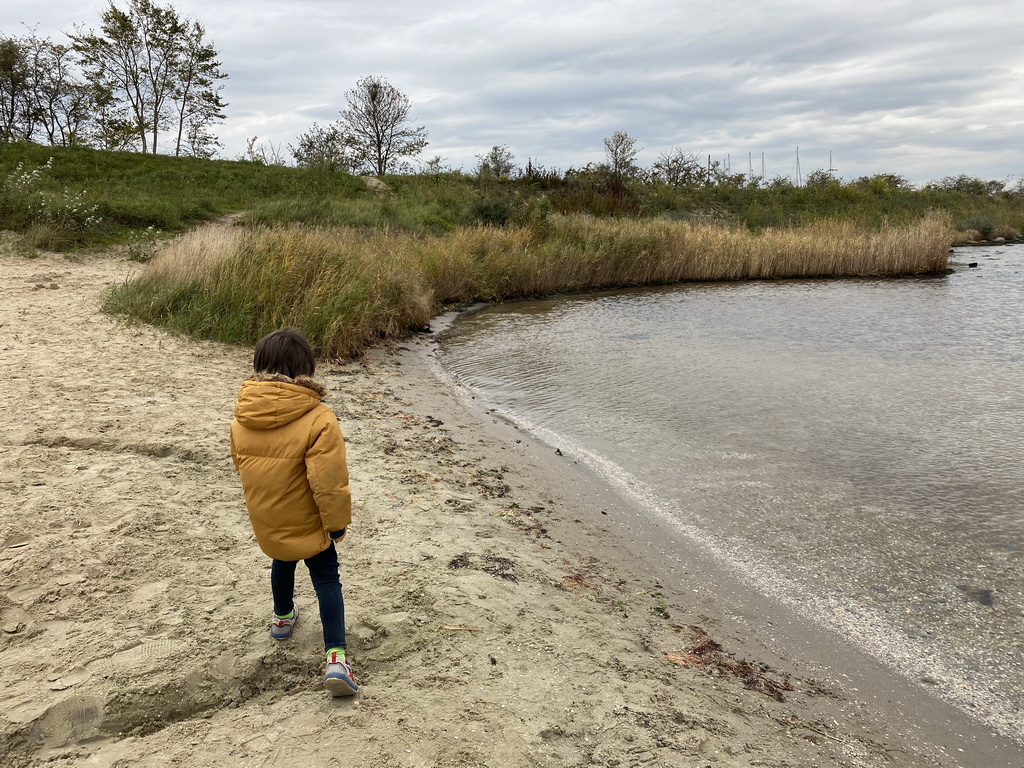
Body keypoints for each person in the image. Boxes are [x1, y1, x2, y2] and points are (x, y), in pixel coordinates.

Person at [229, 327, 357, 696]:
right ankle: (336, 659)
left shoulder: (242, 416)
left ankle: (283, 618)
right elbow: (328, 483)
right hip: (309, 521)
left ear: (260, 366)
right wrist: (336, 526)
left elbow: (241, 465)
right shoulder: (319, 418)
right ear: (306, 371)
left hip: (266, 516)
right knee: (327, 579)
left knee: (282, 558)